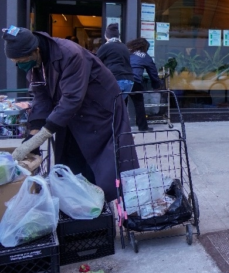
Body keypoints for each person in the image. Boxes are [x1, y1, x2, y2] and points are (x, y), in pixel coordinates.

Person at [3, 26, 137, 202]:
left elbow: (72, 98)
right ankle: (78, 206)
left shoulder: (69, 53)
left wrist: (42, 136)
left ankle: (103, 207)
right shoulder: (35, 63)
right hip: (71, 113)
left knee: (102, 165)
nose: (19, 65)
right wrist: (32, 136)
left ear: (35, 50)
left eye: (21, 60)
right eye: (15, 62)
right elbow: (41, 99)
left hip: (98, 110)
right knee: (69, 159)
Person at [127, 38, 161, 132]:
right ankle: (142, 127)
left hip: (122, 79)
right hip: (135, 81)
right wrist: (156, 85)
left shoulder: (127, 52)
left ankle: (120, 128)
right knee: (139, 104)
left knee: (121, 103)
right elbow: (153, 72)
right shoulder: (145, 56)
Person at [96, 23, 134, 99]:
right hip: (129, 81)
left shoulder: (106, 46)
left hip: (115, 78)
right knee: (118, 106)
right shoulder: (124, 47)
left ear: (106, 35)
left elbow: (95, 62)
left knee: (109, 106)